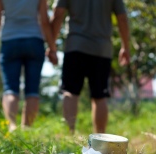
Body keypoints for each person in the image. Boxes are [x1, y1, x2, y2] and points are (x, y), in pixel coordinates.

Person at [50, 0, 130, 134]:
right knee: (100, 95)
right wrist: (126, 46)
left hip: (75, 46)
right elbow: (122, 18)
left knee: (70, 91)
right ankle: (99, 139)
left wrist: (52, 45)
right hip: (102, 49)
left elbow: (58, 14)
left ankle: (69, 134)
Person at [0, 0, 58, 132]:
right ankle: (27, 129)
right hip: (34, 40)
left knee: (10, 89)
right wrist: (52, 47)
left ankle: (12, 126)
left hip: (9, 41)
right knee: (32, 90)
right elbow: (44, 21)